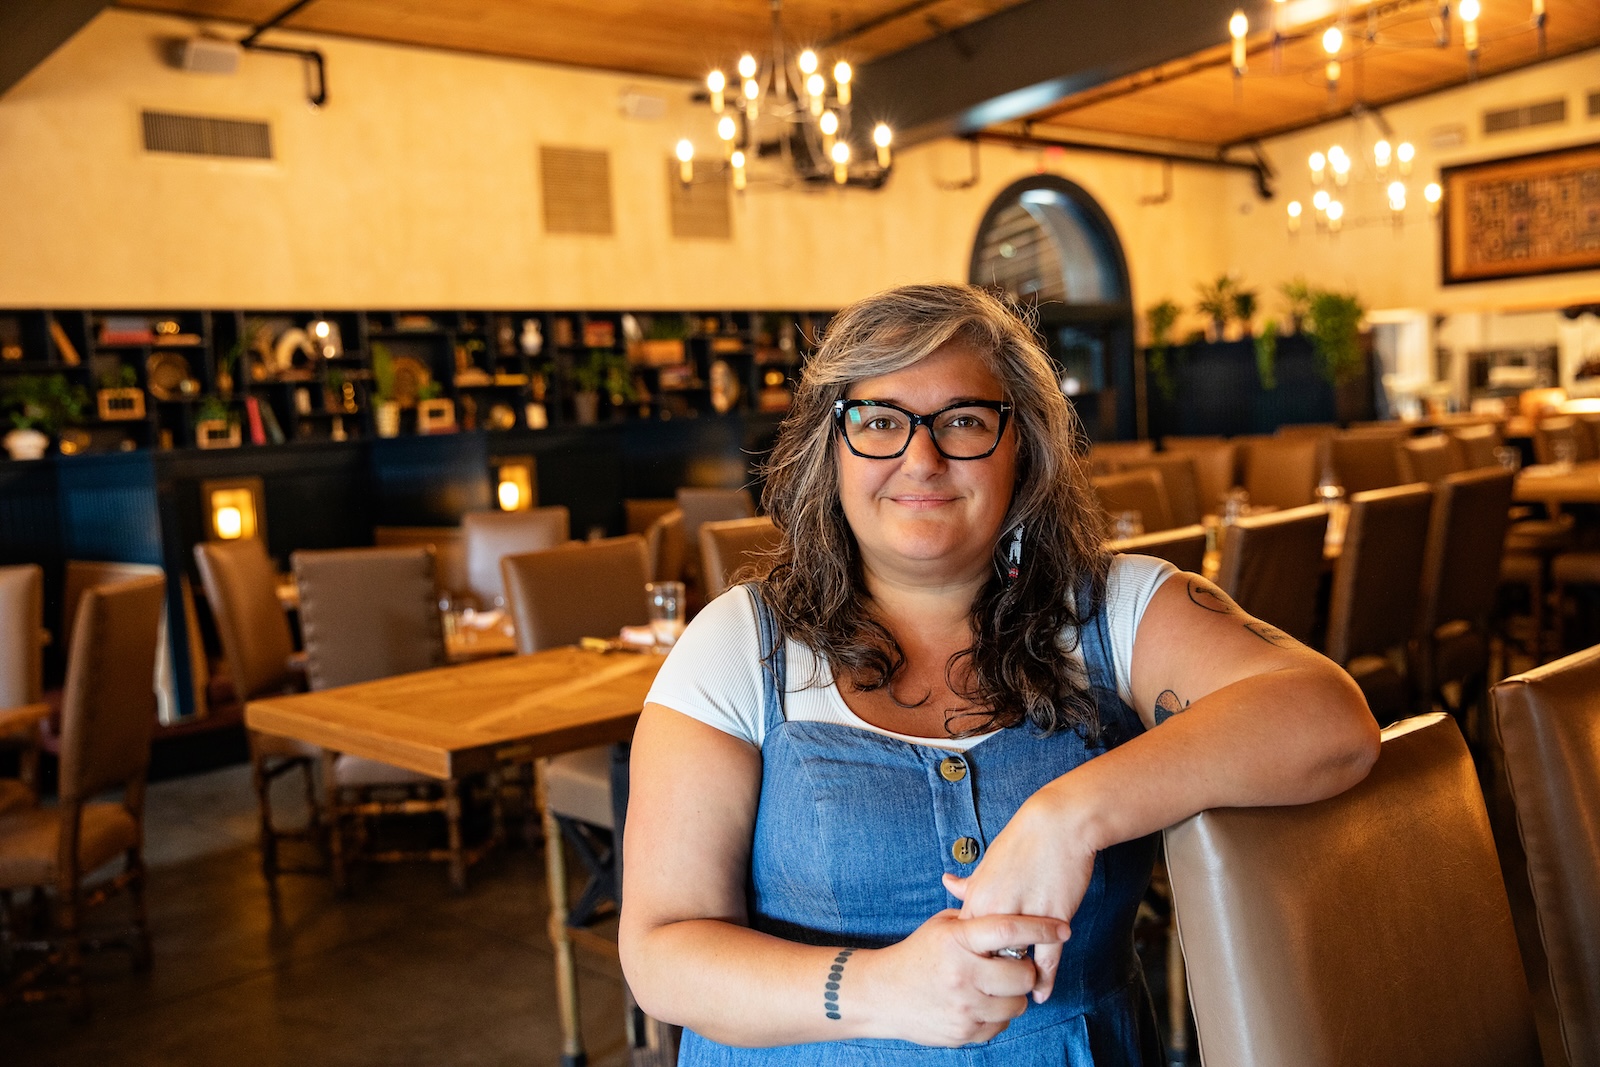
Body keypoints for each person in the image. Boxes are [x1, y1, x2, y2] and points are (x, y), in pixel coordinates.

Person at [619, 283, 1379, 1065]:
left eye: (964, 421)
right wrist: (881, 987)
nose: (922, 457)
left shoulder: (1117, 607)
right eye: (880, 421)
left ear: (1023, 447)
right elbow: (659, 955)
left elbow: (1331, 721)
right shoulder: (738, 645)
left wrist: (1072, 815)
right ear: (831, 449)